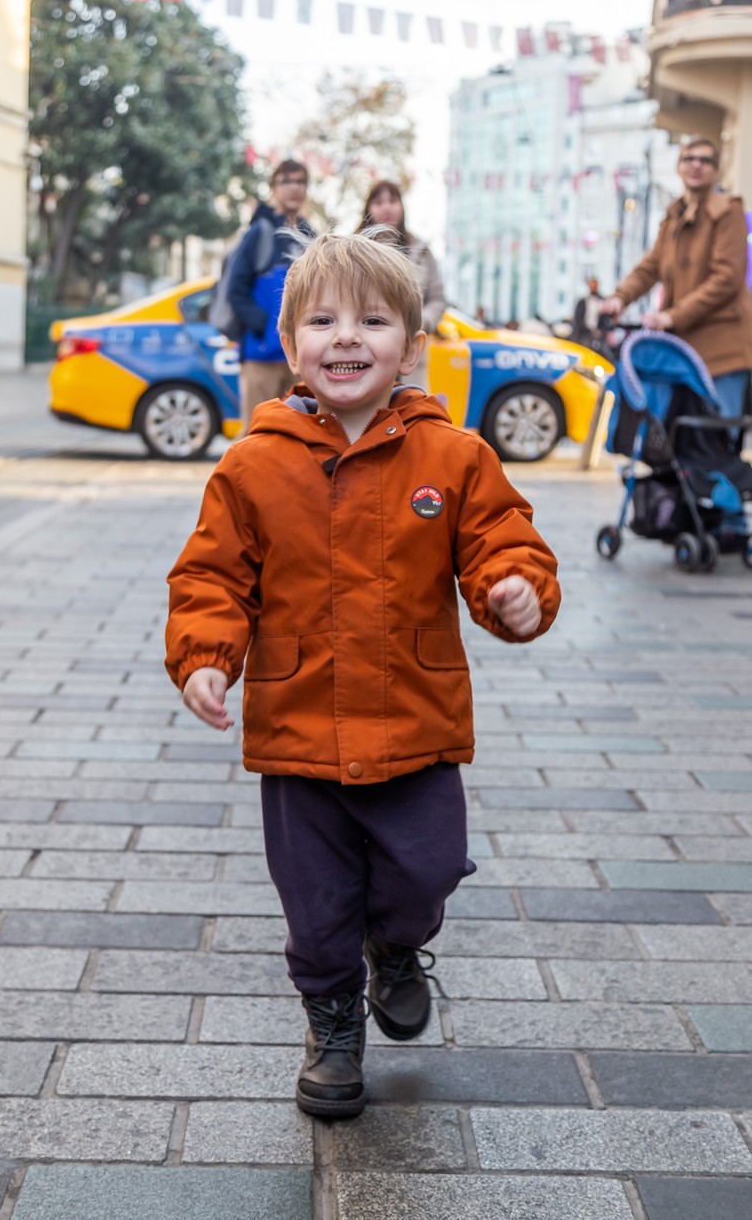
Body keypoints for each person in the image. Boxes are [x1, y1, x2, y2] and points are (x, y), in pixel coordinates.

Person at [166, 233, 561, 1119]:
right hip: (300, 734)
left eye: (373, 320)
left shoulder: (452, 456)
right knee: (314, 905)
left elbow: (503, 540)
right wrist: (205, 657)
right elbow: (211, 577)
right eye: (323, 320)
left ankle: (396, 946)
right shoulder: (252, 463)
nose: (347, 338)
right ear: (290, 340)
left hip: (415, 727)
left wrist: (515, 592)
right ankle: (334, 1023)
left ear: (410, 344)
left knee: (424, 873)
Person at [599, 137, 752, 420]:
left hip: (723, 346)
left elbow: (727, 278)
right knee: (678, 439)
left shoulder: (727, 210)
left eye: (705, 160)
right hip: (684, 350)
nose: (696, 165)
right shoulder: (674, 216)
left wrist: (672, 316)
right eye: (689, 158)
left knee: (715, 437)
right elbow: (650, 267)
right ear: (679, 167)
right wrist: (619, 298)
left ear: (715, 170)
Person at [227, 159, 315, 432]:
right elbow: (236, 289)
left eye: (300, 181)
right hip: (262, 356)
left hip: (301, 358)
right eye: (286, 181)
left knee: (301, 434)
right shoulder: (260, 232)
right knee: (256, 434)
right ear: (274, 187)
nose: (294, 188)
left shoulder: (310, 234)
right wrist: (266, 327)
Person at [356, 181, 446, 387]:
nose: (387, 207)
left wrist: (420, 321)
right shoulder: (352, 252)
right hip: (363, 350)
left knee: (409, 410)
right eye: (379, 202)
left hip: (410, 351)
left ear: (402, 206)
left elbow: (438, 300)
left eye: (393, 200)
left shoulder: (422, 251)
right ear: (368, 208)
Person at [571, 276, 603, 346]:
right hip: (583, 335)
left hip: (599, 337)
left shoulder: (602, 301)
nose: (593, 286)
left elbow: (605, 320)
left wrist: (599, 331)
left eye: (595, 284)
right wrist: (589, 330)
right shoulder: (582, 302)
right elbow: (578, 319)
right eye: (591, 284)